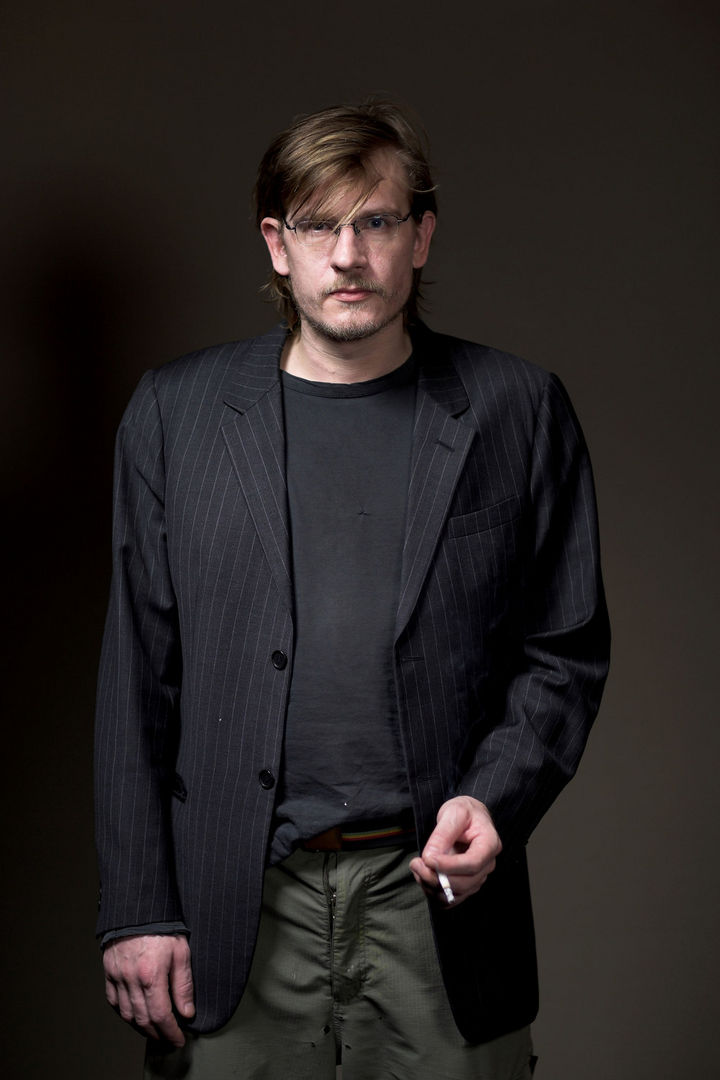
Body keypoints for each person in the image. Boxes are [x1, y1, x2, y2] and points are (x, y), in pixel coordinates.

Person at [95, 100, 610, 1079]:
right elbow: (136, 680)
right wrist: (136, 909)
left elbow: (565, 647)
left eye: (376, 221)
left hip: (437, 901)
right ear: (276, 244)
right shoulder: (175, 415)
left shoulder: (518, 408)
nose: (348, 255)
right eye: (318, 225)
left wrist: (494, 799)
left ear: (422, 237)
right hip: (234, 901)